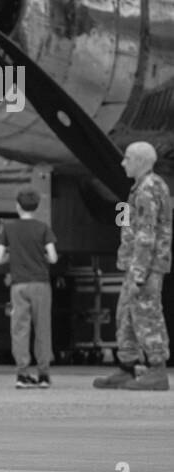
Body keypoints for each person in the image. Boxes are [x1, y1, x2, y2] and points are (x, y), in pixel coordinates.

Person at [95, 141, 171, 391]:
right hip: (136, 265)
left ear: (139, 161)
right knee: (126, 315)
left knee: (147, 316)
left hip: (145, 267)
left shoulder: (148, 189)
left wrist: (139, 273)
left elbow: (146, 234)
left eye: (127, 158)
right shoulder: (141, 188)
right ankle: (127, 366)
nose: (122, 162)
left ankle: (157, 369)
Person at [0, 188, 58, 389]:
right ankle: (43, 375)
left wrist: (11, 257)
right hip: (40, 283)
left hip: (18, 284)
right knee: (42, 328)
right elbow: (53, 257)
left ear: (17, 205)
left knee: (19, 328)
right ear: (37, 207)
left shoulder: (9, 228)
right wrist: (42, 257)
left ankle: (22, 374)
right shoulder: (43, 228)